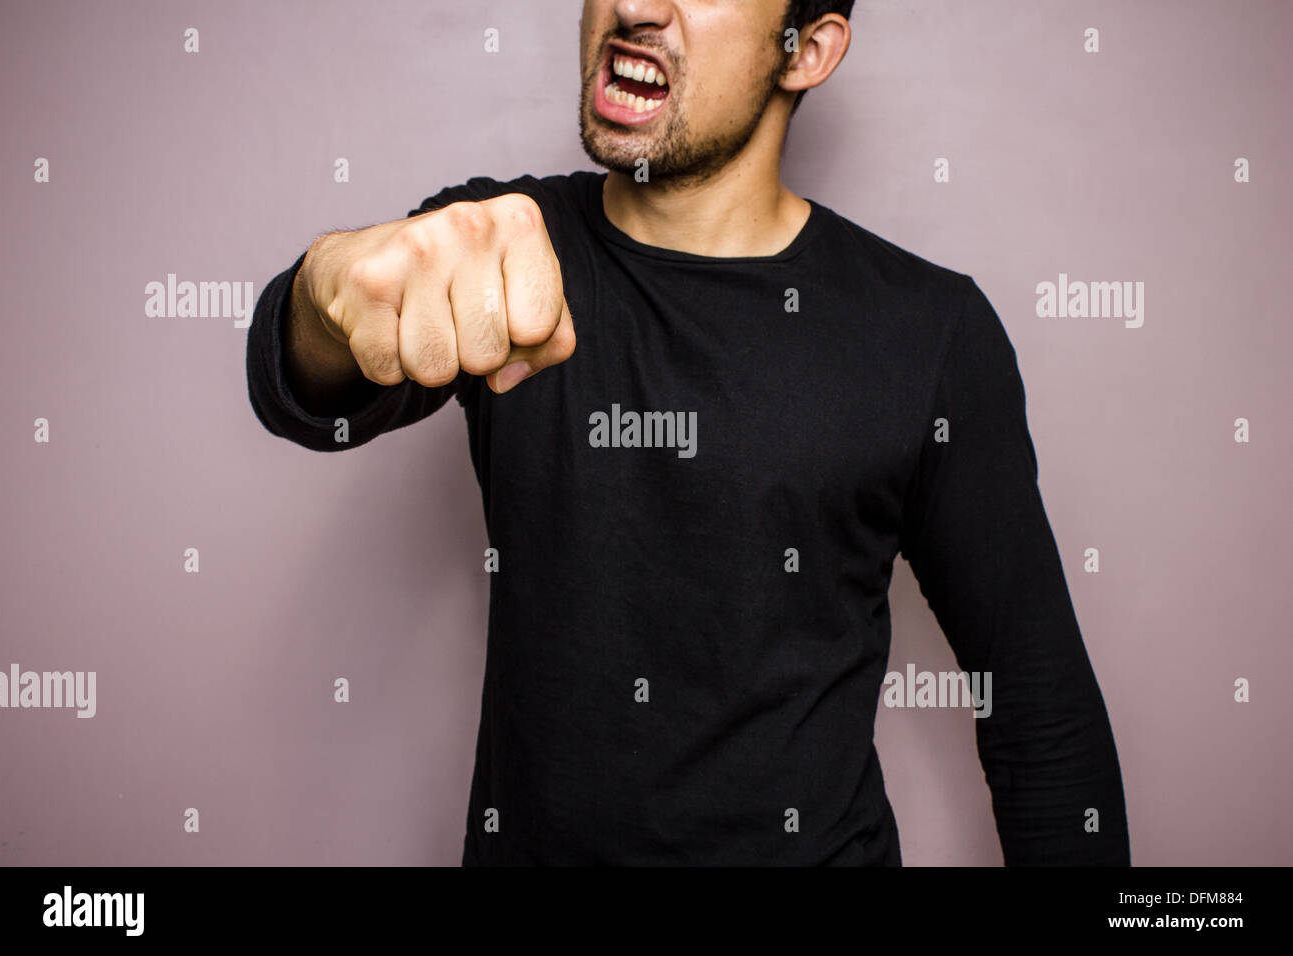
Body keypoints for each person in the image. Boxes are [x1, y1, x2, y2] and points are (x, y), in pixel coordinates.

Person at [246, 0, 1130, 866]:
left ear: (807, 49)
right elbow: (305, 390)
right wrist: (327, 288)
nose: (632, 6)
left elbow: (1033, 697)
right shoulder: (505, 251)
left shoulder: (928, 329)